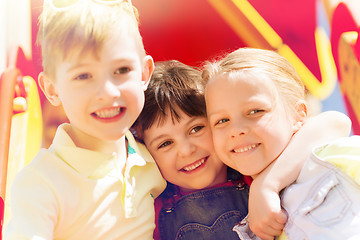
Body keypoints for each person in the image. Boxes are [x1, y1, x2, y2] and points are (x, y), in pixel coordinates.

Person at [134, 60, 351, 240]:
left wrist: (266, 184)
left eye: (197, 128)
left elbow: (335, 122)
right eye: (165, 144)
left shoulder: (250, 167)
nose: (186, 150)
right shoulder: (152, 210)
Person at [4, 0, 166, 239]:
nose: (108, 92)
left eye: (122, 70)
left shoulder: (152, 157)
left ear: (144, 74)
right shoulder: (41, 184)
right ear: (52, 89)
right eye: (83, 76)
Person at [203, 47, 359, 240]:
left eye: (255, 111)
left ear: (299, 115)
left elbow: (336, 122)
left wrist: (267, 184)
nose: (236, 130)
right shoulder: (245, 216)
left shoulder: (331, 159)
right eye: (221, 121)